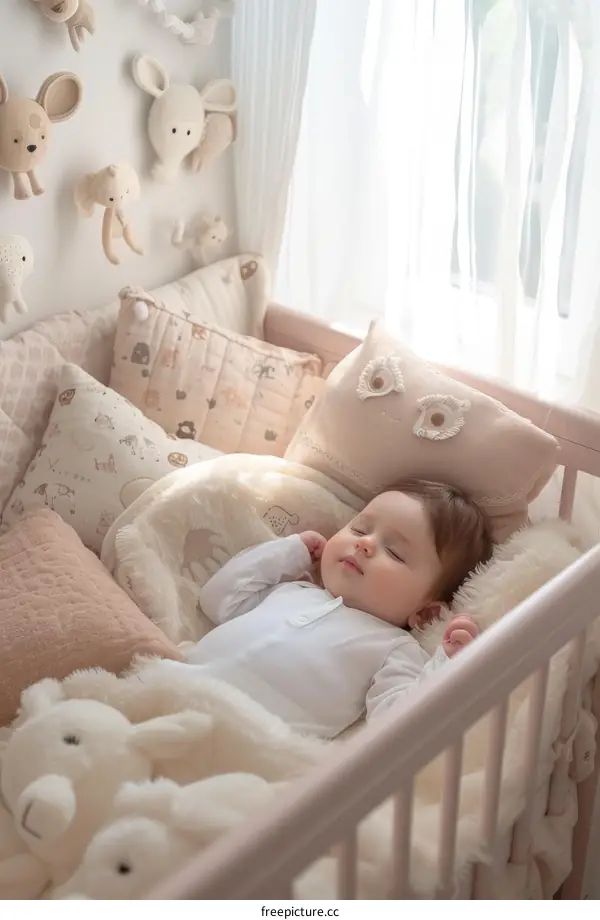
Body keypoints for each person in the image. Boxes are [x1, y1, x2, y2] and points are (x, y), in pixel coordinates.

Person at [163, 479, 493, 739]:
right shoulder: (294, 589)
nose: (365, 543)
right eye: (360, 529)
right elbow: (218, 598)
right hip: (175, 686)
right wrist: (289, 552)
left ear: (426, 614)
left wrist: (446, 663)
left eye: (394, 553)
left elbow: (397, 720)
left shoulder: (395, 648)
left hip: (256, 738)